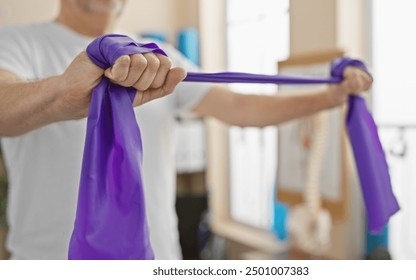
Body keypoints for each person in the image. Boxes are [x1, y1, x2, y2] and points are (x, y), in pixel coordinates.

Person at [0, 0, 372, 260]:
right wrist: (63, 95)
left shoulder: (159, 56)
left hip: (157, 259)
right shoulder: (13, 42)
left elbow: (242, 108)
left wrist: (330, 96)